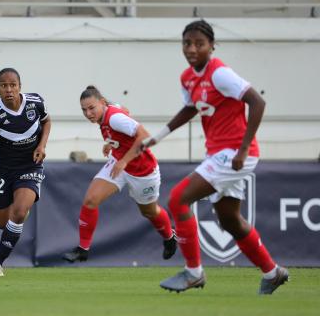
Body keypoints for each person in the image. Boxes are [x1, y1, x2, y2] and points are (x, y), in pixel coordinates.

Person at [141, 20, 288, 294]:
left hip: (234, 153)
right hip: (221, 153)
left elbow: (257, 102)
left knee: (178, 199)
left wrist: (244, 149)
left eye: (199, 43)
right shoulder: (187, 77)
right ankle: (272, 272)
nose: (192, 48)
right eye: (187, 43)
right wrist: (156, 138)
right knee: (229, 219)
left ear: (212, 46)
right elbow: (189, 109)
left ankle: (194, 273)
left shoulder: (220, 74)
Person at [62, 86, 177, 263]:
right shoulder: (108, 112)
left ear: (101, 103)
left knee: (149, 212)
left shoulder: (114, 118)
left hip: (142, 170)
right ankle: (82, 249)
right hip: (118, 163)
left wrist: (124, 160)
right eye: (84, 110)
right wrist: (112, 143)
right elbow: (125, 112)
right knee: (91, 200)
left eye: (91, 108)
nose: (88, 113)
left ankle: (169, 238)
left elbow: (145, 136)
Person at [0, 68, 51, 276]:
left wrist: (42, 146)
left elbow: (47, 121)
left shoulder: (35, 102)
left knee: (19, 212)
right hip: (4, 169)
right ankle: (18, 208)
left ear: (20, 86)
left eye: (13, 85)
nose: (9, 89)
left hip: (30, 165)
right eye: (4, 86)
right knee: (2, 222)